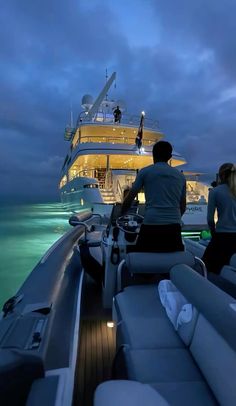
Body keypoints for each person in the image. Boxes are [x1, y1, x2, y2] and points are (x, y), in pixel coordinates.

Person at [121, 140, 186, 252]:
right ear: (170, 156)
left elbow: (130, 197)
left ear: (153, 154)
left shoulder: (145, 172)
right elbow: (183, 205)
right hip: (174, 226)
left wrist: (121, 214)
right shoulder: (180, 176)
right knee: (171, 261)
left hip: (152, 224)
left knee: (144, 258)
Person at [202, 162, 236, 274]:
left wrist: (213, 233)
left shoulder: (215, 191)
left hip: (222, 236)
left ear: (221, 175)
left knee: (205, 267)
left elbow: (210, 219)